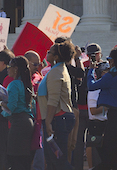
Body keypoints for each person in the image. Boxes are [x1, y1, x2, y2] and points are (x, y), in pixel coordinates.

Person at [87, 47, 117, 170]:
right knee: (115, 157)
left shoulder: (111, 76)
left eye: (109, 59)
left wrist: (91, 71)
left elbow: (91, 86)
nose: (108, 62)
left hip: (115, 118)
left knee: (110, 157)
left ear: (113, 61)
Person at [39, 40, 74, 170]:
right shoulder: (58, 69)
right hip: (59, 117)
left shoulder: (56, 72)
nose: (47, 53)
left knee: (58, 160)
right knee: (53, 159)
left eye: (50, 52)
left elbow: (53, 100)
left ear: (56, 57)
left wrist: (48, 123)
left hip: (57, 119)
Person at [2, 56, 35, 170]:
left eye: (10, 67)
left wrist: (1, 102)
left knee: (14, 157)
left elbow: (11, 106)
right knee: (24, 158)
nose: (8, 69)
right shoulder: (25, 82)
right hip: (27, 121)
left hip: (19, 123)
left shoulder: (15, 84)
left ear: (16, 69)